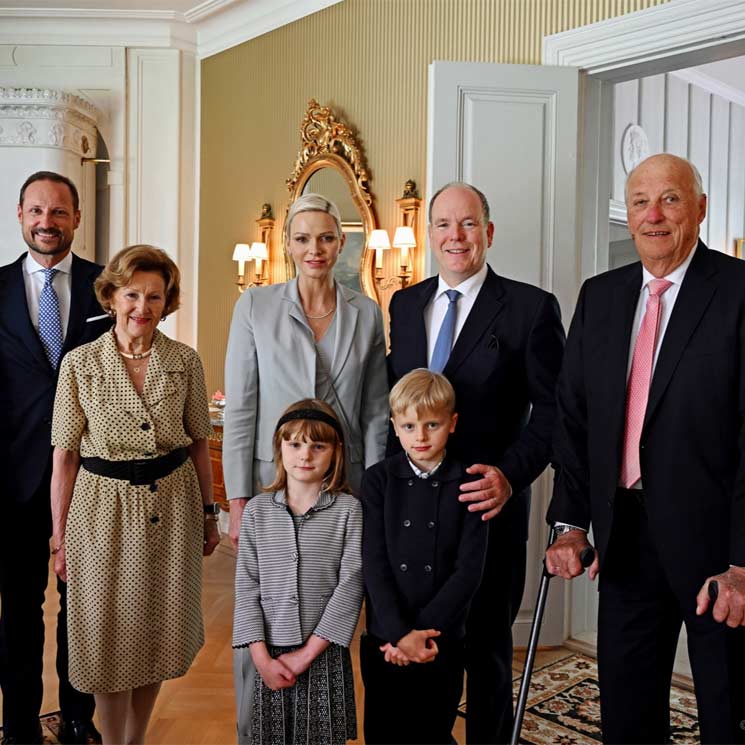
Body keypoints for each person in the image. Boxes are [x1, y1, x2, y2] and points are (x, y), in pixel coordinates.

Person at [546, 153, 745, 744]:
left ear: (700, 209)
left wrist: (742, 563)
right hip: (625, 538)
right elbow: (575, 418)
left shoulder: (739, 292)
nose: (653, 215)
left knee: (726, 713)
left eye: (671, 199)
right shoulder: (601, 296)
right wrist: (571, 522)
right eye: (639, 202)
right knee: (628, 714)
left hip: (718, 554)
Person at [386, 182, 565, 743]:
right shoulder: (405, 303)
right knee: (426, 645)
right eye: (443, 224)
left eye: (467, 224)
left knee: (487, 653)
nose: (455, 236)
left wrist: (511, 476)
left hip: (488, 508)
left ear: (488, 232)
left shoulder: (531, 308)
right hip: (414, 512)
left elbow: (557, 411)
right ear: (430, 234)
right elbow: (398, 406)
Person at [49, 244, 220, 745]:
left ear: (167, 303)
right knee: (104, 638)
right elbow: (64, 458)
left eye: (154, 297)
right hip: (100, 512)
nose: (141, 308)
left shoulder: (184, 361)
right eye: (131, 294)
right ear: (111, 297)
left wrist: (210, 516)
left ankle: (134, 741)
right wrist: (59, 538)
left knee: (159, 633)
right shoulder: (80, 363)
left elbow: (196, 444)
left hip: (173, 507)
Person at [0, 171, 110, 745]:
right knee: (17, 610)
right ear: (20, 214)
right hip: (12, 483)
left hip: (90, 482)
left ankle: (76, 718)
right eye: (37, 211)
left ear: (76, 218)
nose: (48, 222)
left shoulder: (105, 289)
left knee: (81, 612)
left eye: (60, 212)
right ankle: (16, 725)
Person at [223, 193, 388, 549]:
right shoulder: (254, 306)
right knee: (273, 595)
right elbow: (240, 408)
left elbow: (376, 413)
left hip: (346, 483)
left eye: (326, 238)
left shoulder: (368, 313)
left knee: (339, 593)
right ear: (288, 244)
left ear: (342, 243)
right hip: (271, 481)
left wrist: (374, 491)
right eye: (302, 239)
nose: (315, 249)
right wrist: (237, 500)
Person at [360, 369, 488, 745]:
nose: (420, 436)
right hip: (385, 638)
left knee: (433, 731)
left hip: (441, 640)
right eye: (409, 425)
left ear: (452, 423)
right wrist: (400, 635)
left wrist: (421, 636)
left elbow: (469, 571)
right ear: (394, 427)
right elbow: (375, 563)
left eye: (431, 424)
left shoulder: (469, 482)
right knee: (384, 733)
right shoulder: (378, 480)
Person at [232, 398, 363, 745]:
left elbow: (350, 586)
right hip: (267, 655)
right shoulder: (257, 512)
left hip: (323, 653)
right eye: (295, 444)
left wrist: (307, 654)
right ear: (280, 448)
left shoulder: (349, 512)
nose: (305, 455)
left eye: (318, 445)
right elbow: (246, 587)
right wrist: (259, 658)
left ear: (335, 451)